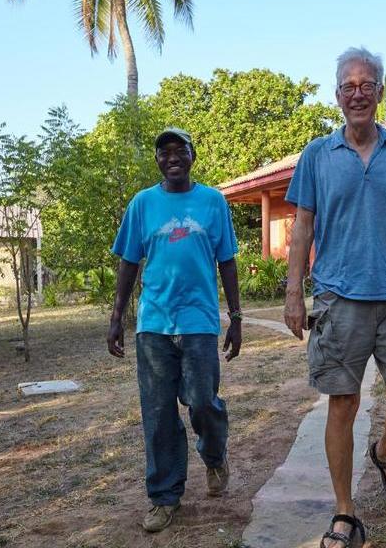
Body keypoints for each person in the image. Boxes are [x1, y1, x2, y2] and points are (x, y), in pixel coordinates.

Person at [284, 48, 386, 548]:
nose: (357, 93)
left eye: (366, 84)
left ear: (379, 92)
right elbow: (302, 228)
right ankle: (345, 512)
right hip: (338, 298)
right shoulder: (316, 156)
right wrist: (292, 292)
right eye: (347, 86)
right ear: (337, 96)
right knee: (342, 404)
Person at [107, 127, 242, 533]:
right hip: (154, 325)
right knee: (159, 412)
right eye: (163, 152)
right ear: (157, 161)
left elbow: (228, 262)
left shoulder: (213, 202)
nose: (171, 157)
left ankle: (214, 456)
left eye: (179, 150)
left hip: (199, 322)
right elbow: (129, 262)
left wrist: (236, 318)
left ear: (192, 155)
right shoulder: (143, 204)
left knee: (203, 402)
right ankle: (165, 497)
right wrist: (116, 317)